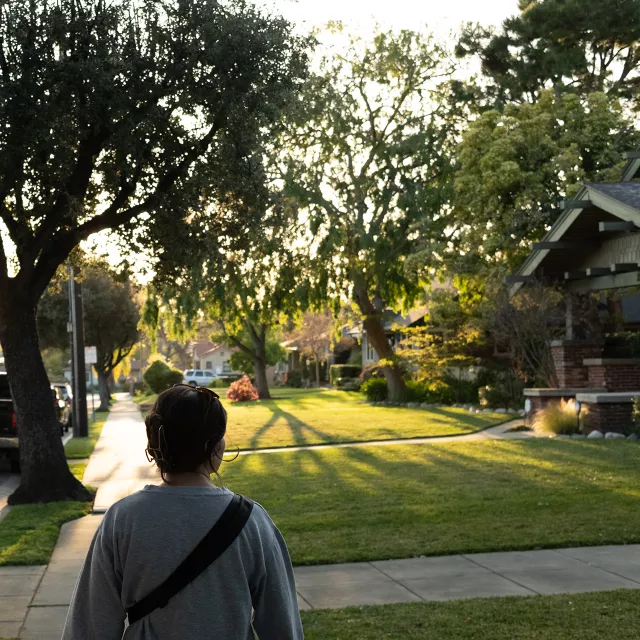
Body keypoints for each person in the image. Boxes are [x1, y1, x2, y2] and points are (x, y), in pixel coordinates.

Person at [62, 384, 303, 640]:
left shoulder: (122, 521)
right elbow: (282, 625)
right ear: (218, 448)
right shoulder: (252, 522)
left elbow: (90, 625)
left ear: (154, 446)